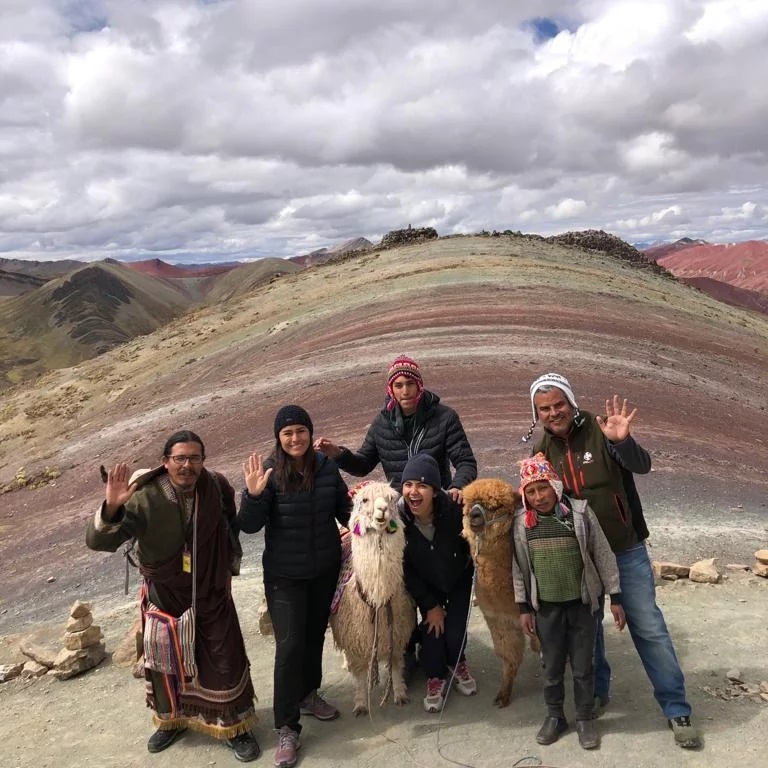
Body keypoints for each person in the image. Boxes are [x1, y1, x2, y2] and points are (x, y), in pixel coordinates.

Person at [523, 373, 702, 749]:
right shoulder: (540, 446)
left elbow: (642, 465)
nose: (554, 412)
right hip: (580, 554)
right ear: (536, 413)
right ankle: (597, 693)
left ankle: (676, 708)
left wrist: (624, 442)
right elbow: (541, 496)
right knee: (590, 628)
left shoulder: (601, 429)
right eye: (545, 408)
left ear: (571, 402)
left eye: (559, 404)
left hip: (624, 547)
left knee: (648, 626)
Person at [85, 430, 260, 762]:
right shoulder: (144, 496)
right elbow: (99, 542)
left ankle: (234, 725)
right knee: (166, 664)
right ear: (165, 462)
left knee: (224, 659)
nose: (187, 465)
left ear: (203, 461)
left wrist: (226, 568)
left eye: (195, 458)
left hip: (212, 592)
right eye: (179, 458)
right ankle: (172, 721)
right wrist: (111, 507)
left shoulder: (216, 486)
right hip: (165, 596)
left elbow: (230, 529)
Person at [237, 405, 352, 768]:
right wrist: (253, 496)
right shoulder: (270, 473)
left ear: (309, 432)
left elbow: (346, 511)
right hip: (285, 576)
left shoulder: (328, 468)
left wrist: (372, 521)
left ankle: (308, 694)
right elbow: (249, 526)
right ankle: (287, 727)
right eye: (287, 433)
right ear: (279, 438)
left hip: (323, 569)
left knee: (315, 635)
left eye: (300, 431)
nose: (295, 438)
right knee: (288, 646)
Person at [511, 453, 626, 749]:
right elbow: (520, 569)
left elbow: (602, 553)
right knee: (550, 666)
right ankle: (555, 716)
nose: (539, 497)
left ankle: (585, 717)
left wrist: (615, 596)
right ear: (525, 495)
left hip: (581, 605)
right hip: (546, 608)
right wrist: (523, 607)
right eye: (531, 491)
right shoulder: (523, 524)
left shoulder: (579, 514)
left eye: (543, 488)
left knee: (583, 665)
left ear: (555, 486)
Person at [313, 354, 477, 502]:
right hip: (401, 505)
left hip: (438, 500)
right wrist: (337, 454)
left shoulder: (445, 417)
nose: (405, 391)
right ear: (391, 389)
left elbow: (465, 461)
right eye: (398, 386)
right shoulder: (381, 424)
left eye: (410, 384)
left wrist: (457, 487)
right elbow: (362, 465)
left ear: (419, 385)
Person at [399, 453, 476, 713]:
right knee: (433, 640)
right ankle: (434, 676)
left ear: (434, 490)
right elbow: (405, 569)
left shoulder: (454, 511)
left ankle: (458, 661)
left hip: (458, 581)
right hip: (427, 587)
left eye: (422, 485)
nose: (413, 492)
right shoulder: (398, 522)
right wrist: (430, 604)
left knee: (454, 637)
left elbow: (472, 546)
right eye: (408, 484)